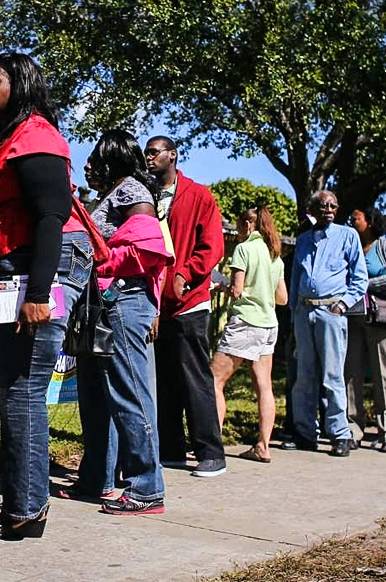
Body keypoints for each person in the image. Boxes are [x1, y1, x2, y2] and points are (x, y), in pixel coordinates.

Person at [0, 52, 94, 539]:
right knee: (17, 387)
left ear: (20, 85)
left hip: (41, 271)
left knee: (23, 388)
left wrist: (39, 293)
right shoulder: (7, 141)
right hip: (14, 271)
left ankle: (25, 508)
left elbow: (51, 217)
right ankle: (23, 500)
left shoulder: (36, 134)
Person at [68, 129, 172, 514]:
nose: (90, 164)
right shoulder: (112, 194)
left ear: (113, 157)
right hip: (104, 305)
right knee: (97, 396)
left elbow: (147, 250)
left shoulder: (132, 191)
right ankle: (97, 478)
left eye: (97, 157)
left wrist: (99, 260)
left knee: (130, 394)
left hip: (125, 301)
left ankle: (147, 486)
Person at [145, 136, 228, 477]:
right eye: (146, 153)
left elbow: (212, 246)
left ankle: (211, 453)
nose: (149, 158)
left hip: (189, 302)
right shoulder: (146, 196)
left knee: (194, 376)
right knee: (164, 378)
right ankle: (172, 448)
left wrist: (186, 273)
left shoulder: (198, 195)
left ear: (172, 156)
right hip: (156, 303)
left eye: (154, 152)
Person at [286, 190, 367, 457]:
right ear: (313, 209)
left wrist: (342, 304)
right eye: (323, 206)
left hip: (331, 311)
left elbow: (359, 278)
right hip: (304, 312)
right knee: (303, 376)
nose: (329, 209)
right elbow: (296, 278)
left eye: (333, 205)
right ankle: (305, 432)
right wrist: (294, 312)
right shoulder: (304, 240)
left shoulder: (348, 236)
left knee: (332, 375)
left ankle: (340, 433)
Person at [211, 207, 287, 462]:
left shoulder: (244, 249)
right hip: (269, 325)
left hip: (245, 322)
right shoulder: (276, 255)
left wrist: (219, 285)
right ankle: (263, 445)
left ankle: (211, 444)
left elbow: (237, 290)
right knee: (264, 385)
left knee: (215, 380)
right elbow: (282, 298)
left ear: (247, 225)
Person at [341, 206, 386, 453]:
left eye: (355, 218)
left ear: (369, 221)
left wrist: (365, 284)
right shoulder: (350, 246)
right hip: (354, 317)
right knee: (351, 374)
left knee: (385, 375)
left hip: (384, 318)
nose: (351, 221)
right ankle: (352, 429)